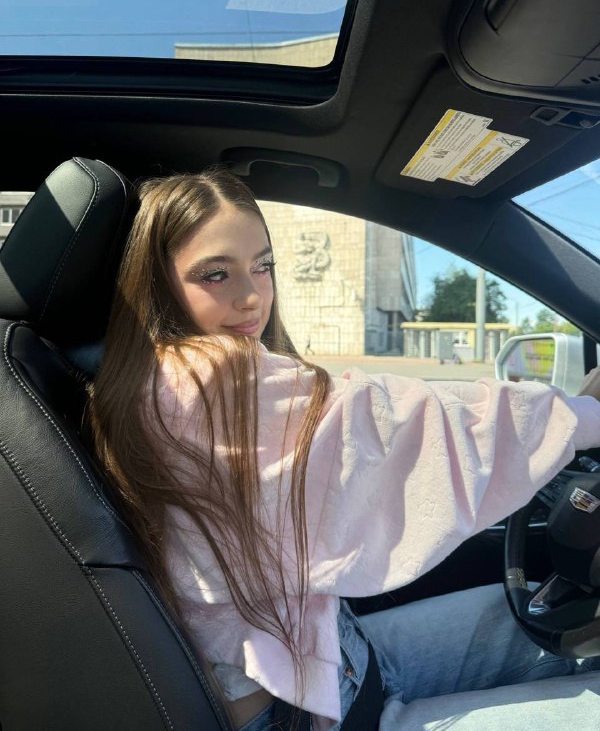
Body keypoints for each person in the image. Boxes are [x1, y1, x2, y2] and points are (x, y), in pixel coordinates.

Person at [89, 168, 600, 731]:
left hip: (334, 663)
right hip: (312, 713)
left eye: (263, 265)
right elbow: (395, 421)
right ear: (158, 282)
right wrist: (581, 415)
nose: (252, 296)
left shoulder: (142, 384)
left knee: (540, 618)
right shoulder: (200, 380)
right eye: (215, 274)